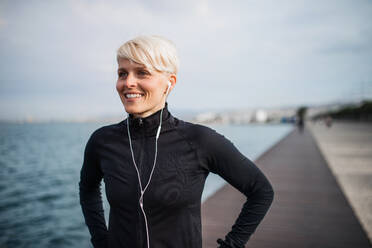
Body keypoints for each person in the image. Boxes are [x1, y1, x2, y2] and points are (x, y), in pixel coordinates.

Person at [79, 35, 274, 248]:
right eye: (122, 73)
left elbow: (261, 191)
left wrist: (233, 244)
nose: (128, 82)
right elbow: (88, 189)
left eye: (142, 72)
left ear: (169, 83)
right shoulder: (103, 141)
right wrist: (100, 240)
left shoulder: (199, 140)